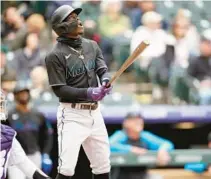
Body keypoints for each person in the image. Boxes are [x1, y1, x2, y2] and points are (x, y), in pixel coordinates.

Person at [45, 5, 112, 179]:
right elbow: (60, 90)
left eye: (77, 16)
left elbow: (102, 69)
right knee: (66, 169)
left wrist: (105, 80)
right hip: (72, 114)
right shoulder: (55, 55)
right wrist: (89, 93)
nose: (78, 20)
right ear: (62, 26)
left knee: (103, 166)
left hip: (95, 114)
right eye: (72, 17)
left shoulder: (92, 45)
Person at [5, 82, 53, 179]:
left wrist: (46, 154)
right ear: (15, 95)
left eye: (25, 93)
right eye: (20, 93)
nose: (23, 95)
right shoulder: (8, 116)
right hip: (15, 157)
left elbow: (48, 134)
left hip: (34, 155)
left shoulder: (38, 114)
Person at [109, 112, 174, 179]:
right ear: (126, 123)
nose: (138, 122)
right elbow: (109, 145)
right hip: (121, 176)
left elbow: (167, 144)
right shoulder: (121, 135)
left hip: (142, 175)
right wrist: (130, 149)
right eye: (134, 120)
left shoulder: (144, 136)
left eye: (139, 119)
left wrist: (162, 150)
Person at [188, 29, 211, 105]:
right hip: (200, 89)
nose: (207, 46)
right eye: (205, 43)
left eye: (209, 44)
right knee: (205, 95)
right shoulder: (195, 60)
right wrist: (199, 84)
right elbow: (189, 77)